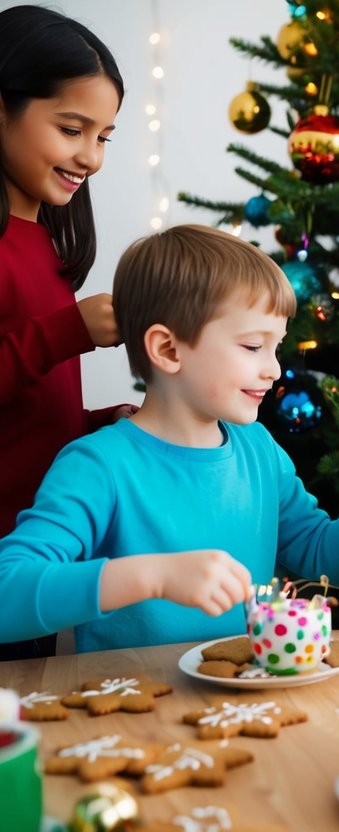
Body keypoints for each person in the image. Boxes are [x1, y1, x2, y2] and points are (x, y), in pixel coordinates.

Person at [0, 225, 339, 653]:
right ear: (168, 350)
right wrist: (152, 576)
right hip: (139, 710)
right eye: (253, 346)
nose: (274, 369)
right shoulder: (98, 465)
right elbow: (7, 591)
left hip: (243, 705)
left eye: (276, 347)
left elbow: (321, 557)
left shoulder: (258, 449)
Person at [0, 6, 137, 659]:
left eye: (105, 136)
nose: (91, 157)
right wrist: (67, 331)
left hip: (39, 547)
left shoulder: (45, 247)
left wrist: (92, 423)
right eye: (71, 128)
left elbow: (24, 407)